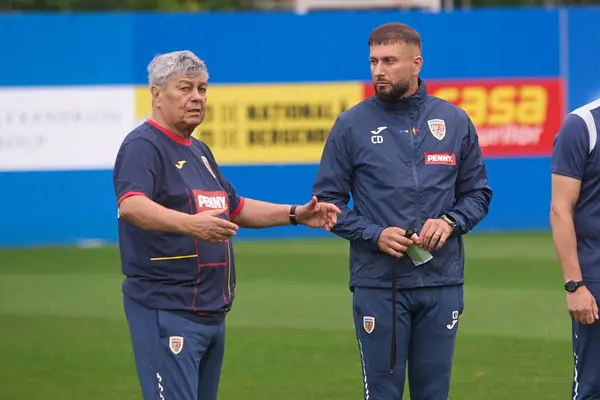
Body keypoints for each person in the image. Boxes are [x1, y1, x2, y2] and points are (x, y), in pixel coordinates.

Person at [113, 50, 340, 400]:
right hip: (167, 308)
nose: (197, 98)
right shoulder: (143, 146)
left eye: (202, 89)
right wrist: (191, 225)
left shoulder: (199, 150)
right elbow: (132, 205)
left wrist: (295, 214)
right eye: (185, 88)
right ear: (157, 94)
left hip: (210, 311)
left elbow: (234, 207)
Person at [312, 22, 492, 399]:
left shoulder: (455, 120)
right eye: (373, 61)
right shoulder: (350, 125)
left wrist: (450, 222)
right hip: (379, 284)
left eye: (390, 61)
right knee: (383, 394)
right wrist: (374, 234)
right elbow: (327, 205)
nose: (379, 70)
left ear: (416, 63)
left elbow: (478, 194)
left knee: (434, 394)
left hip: (441, 282)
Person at [550, 98, 600, 399]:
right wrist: (575, 285)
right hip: (595, 281)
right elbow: (560, 210)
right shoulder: (583, 124)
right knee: (593, 387)